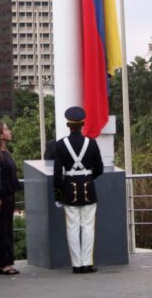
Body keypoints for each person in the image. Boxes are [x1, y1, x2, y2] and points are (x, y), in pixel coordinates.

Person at [53, 107, 104, 274]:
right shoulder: (92, 143)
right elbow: (100, 168)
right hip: (89, 188)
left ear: (68, 124)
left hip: (69, 189)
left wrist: (58, 192)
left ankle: (76, 265)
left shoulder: (60, 145)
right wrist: (88, 177)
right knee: (88, 227)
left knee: (73, 228)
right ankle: (87, 263)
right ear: (82, 124)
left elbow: (57, 173)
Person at [0, 121, 22, 275]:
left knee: (7, 228)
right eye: (6, 130)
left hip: (9, 194)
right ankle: (3, 263)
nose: (10, 132)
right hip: (2, 195)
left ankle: (7, 261)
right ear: (0, 134)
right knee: (2, 228)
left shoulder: (5, 152)